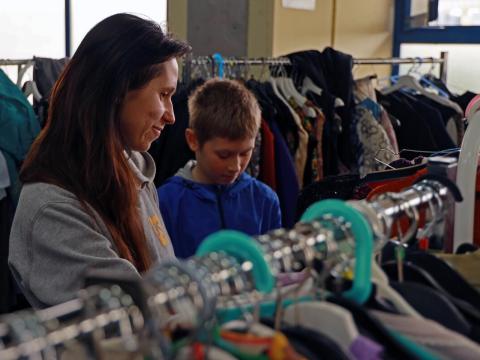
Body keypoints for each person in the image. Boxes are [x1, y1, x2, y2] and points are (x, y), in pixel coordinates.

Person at [8, 13, 191, 308]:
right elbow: (134, 314)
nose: (171, 115)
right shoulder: (52, 209)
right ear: (118, 90)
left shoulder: (133, 172)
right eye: (163, 95)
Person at [158, 78, 282, 258]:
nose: (236, 166)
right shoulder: (166, 202)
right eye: (224, 155)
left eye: (245, 153)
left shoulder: (265, 200)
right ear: (193, 140)